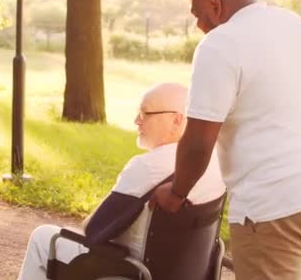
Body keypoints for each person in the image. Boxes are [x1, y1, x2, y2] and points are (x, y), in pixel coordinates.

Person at [150, 0, 301, 280]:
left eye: (198, 15)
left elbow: (199, 140)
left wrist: (176, 194)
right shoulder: (298, 28)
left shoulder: (220, 44)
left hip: (277, 204)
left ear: (215, 6)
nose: (199, 26)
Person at [18, 83, 226, 280]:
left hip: (130, 269)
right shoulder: (215, 165)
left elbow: (92, 229)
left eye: (146, 113)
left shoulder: (147, 167)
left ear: (177, 120)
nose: (137, 120)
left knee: (43, 237)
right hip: (185, 273)